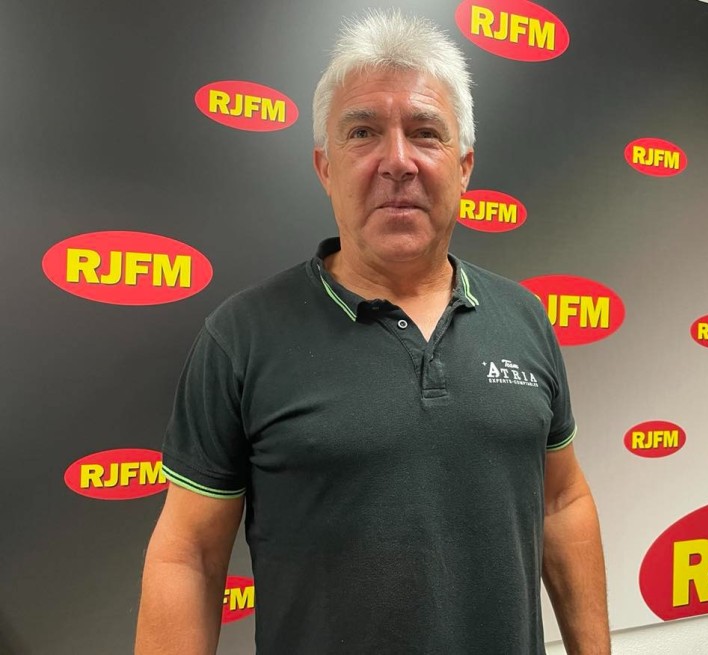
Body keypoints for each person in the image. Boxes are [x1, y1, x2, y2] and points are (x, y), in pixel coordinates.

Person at [136, 10, 609, 655]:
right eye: (363, 133)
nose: (398, 162)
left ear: (464, 166)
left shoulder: (524, 318)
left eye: (425, 133)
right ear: (324, 167)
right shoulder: (241, 338)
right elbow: (188, 556)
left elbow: (562, 502)